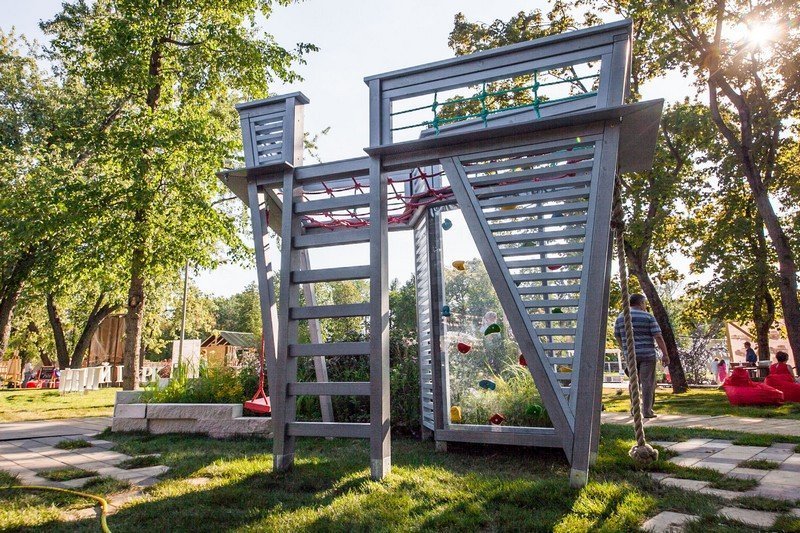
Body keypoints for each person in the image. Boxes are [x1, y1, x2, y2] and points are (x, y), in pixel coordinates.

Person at [614, 293, 670, 418]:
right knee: (648, 383)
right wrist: (665, 354)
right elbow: (658, 336)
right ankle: (647, 411)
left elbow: (617, 335)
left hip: (630, 355)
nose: (645, 306)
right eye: (645, 303)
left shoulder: (621, 317)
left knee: (633, 382)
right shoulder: (648, 316)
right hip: (647, 354)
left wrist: (624, 349)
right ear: (641, 303)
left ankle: (635, 409)